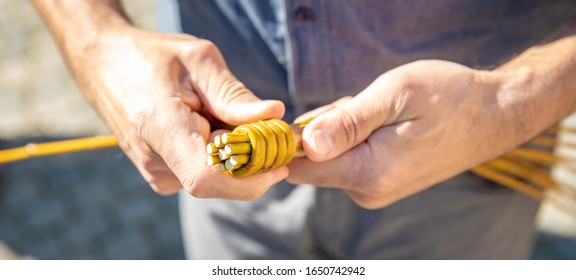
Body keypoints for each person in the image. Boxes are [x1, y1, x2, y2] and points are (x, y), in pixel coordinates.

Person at [31, 0, 576, 259]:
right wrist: (95, 39)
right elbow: (92, 34)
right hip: (214, 168)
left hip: (463, 166)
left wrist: (509, 101)